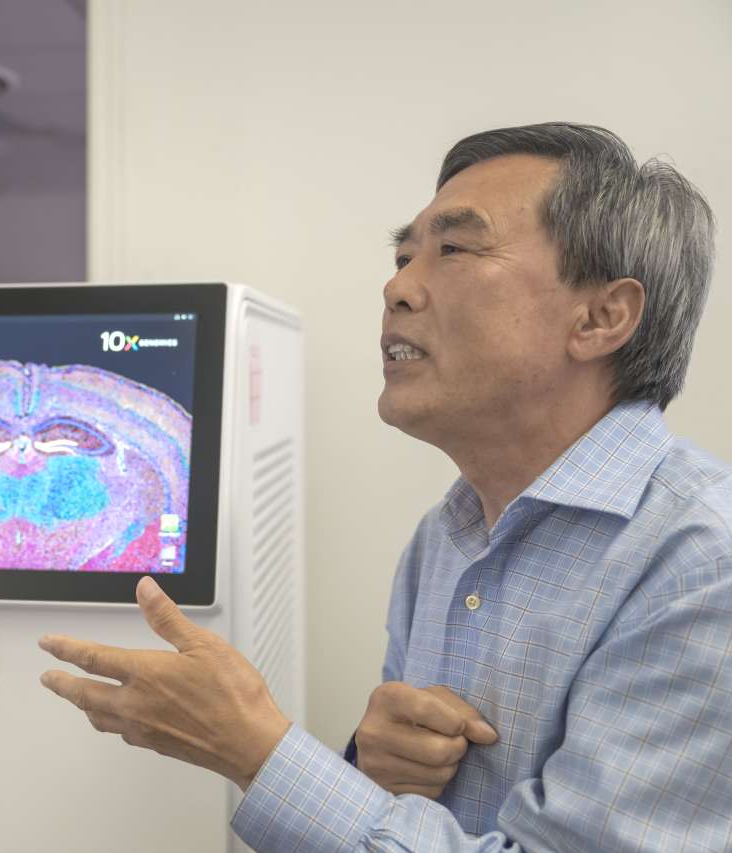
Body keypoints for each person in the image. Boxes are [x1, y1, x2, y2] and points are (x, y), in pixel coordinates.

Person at [38, 122, 731, 851]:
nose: (397, 286)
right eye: (404, 256)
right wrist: (373, 766)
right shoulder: (446, 535)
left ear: (600, 317)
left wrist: (258, 751)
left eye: (454, 249)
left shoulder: (699, 564)